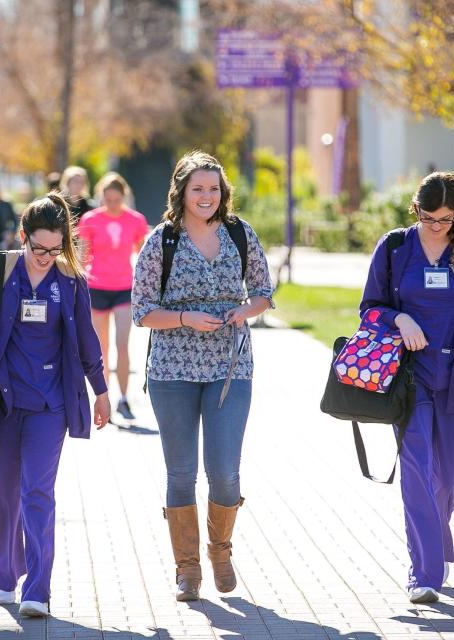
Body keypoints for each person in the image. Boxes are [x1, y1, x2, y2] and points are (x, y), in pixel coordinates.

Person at [0, 192, 111, 618]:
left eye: (55, 248)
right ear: (23, 236)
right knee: (3, 493)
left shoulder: (70, 280)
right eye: (39, 248)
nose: (47, 257)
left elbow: (87, 340)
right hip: (2, 401)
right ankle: (3, 574)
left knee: (37, 491)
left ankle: (38, 588)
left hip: (50, 406)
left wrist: (101, 389)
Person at [358, 172, 454, 604]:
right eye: (427, 218)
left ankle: (437, 543)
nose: (435, 227)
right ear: (415, 210)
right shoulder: (394, 249)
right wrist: (398, 319)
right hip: (409, 381)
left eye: (444, 219)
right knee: (416, 468)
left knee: (447, 474)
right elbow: (369, 310)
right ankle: (423, 572)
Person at [131, 151, 275, 602]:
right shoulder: (162, 242)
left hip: (230, 368)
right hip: (172, 370)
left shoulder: (239, 233)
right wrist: (184, 318)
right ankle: (187, 569)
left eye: (213, 188)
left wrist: (244, 310)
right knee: (181, 473)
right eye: (198, 189)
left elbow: (264, 293)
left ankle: (221, 550)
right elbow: (141, 312)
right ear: (182, 192)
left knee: (225, 472)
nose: (207, 196)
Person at [77, 172, 150, 421]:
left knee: (122, 343)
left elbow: (144, 256)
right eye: (107, 199)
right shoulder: (90, 219)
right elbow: (82, 256)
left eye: (116, 199)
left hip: (123, 288)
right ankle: (103, 397)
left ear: (124, 197)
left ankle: (123, 398)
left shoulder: (136, 220)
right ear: (102, 197)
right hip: (96, 287)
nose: (112, 204)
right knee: (101, 347)